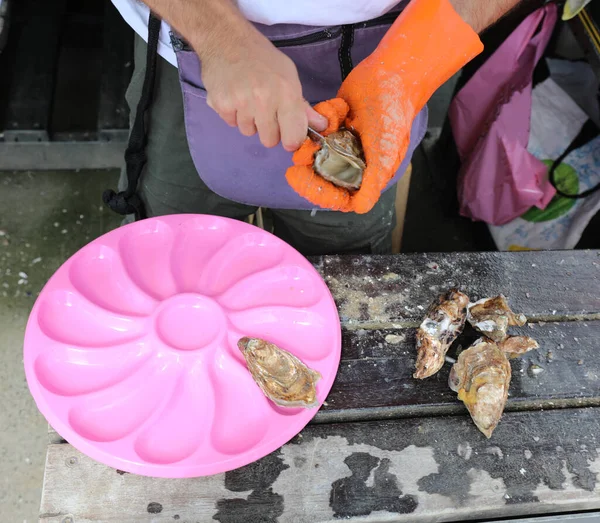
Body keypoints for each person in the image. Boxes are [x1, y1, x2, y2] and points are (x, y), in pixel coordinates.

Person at [107, 0, 520, 255]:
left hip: (396, 43)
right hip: (189, 44)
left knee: (345, 263)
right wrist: (220, 38)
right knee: (175, 250)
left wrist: (406, 75)